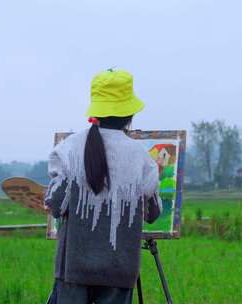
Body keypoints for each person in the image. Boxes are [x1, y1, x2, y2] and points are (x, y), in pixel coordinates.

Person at [44, 69, 162, 304]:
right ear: (129, 113)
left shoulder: (68, 150)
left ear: (95, 110)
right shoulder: (141, 157)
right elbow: (152, 214)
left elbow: (55, 205)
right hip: (119, 272)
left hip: (73, 271)